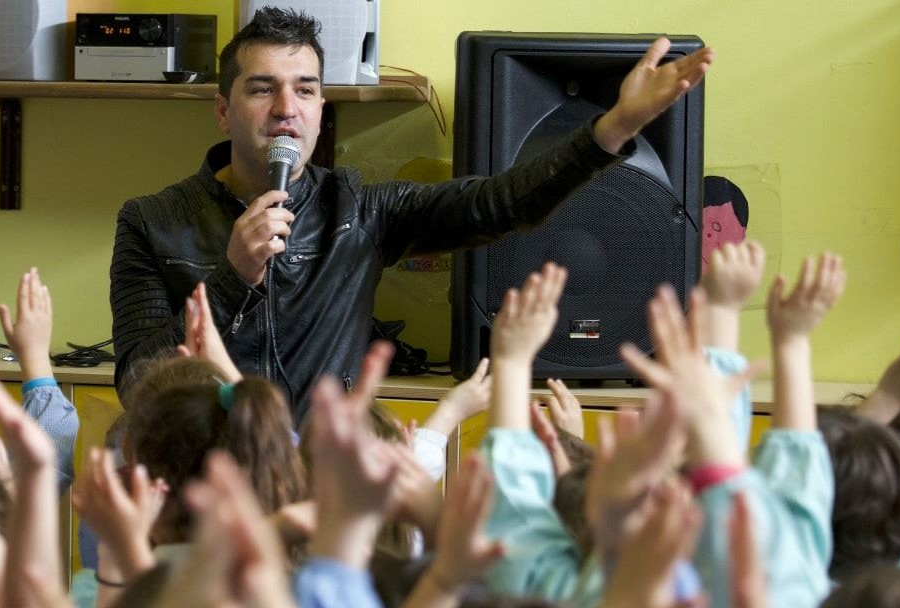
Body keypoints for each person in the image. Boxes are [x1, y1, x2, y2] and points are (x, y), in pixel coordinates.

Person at [109, 7, 715, 416]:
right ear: (223, 110)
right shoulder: (152, 220)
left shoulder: (361, 210)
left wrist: (612, 129)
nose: (286, 107)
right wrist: (229, 281)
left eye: (307, 88)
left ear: (322, 109)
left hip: (327, 486)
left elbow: (505, 201)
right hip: (201, 493)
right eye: (263, 88)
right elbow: (138, 381)